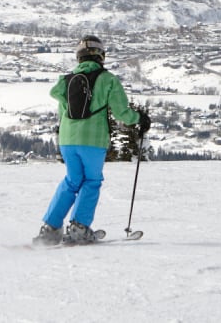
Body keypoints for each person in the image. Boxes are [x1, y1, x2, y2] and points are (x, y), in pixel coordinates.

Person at [33, 35, 150, 246]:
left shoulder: (66, 81)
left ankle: (50, 229)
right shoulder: (108, 79)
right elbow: (122, 112)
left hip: (67, 139)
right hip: (93, 141)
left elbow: (62, 111)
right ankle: (79, 228)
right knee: (92, 181)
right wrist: (140, 119)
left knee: (71, 181)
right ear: (101, 55)